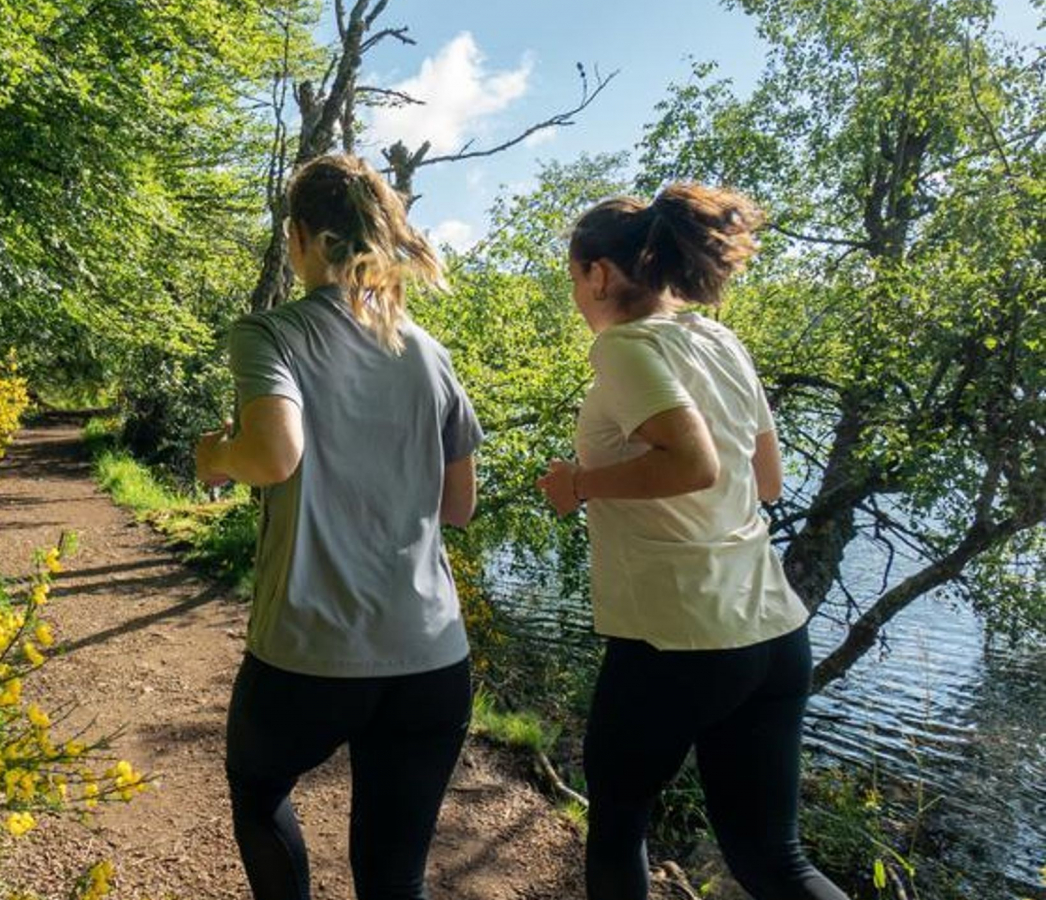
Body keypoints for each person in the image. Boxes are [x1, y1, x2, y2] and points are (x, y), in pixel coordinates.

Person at [536, 184, 848, 900]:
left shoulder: (625, 346)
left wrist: (580, 484)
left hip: (677, 640)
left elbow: (693, 463)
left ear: (599, 274)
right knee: (774, 860)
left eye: (574, 279)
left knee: (617, 828)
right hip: (773, 633)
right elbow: (766, 479)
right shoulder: (718, 339)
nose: (578, 297)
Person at [194, 154, 482, 900]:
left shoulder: (273, 335)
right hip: (430, 656)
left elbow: (273, 452)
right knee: (395, 880)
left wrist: (216, 457)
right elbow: (458, 506)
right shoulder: (429, 352)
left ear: (302, 238)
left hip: (309, 653)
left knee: (259, 793)